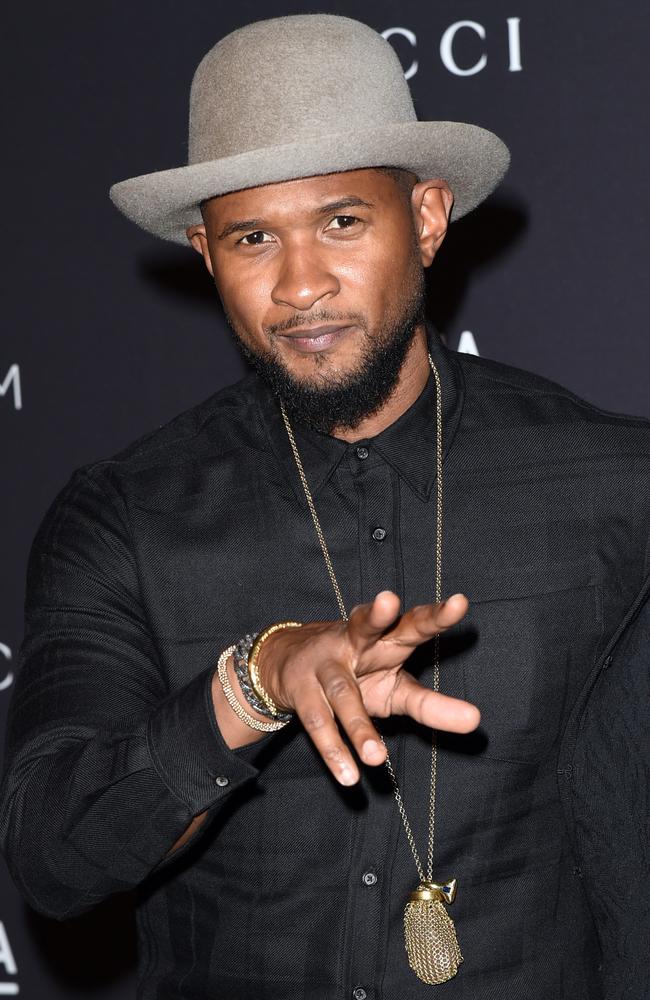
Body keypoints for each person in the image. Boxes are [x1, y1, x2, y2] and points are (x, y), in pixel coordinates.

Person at [1, 12, 648, 1000]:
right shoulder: (124, 518)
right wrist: (250, 684)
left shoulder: (608, 482)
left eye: (342, 222)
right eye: (253, 237)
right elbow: (57, 858)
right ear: (205, 253)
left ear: (426, 220)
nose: (300, 284)